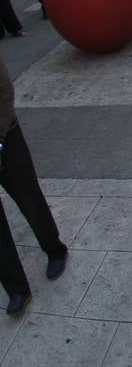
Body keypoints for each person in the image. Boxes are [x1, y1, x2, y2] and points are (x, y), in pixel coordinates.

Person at [0, 56, 67, 315]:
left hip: (6, 137)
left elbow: (4, 89)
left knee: (29, 199)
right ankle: (16, 289)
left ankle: (55, 249)